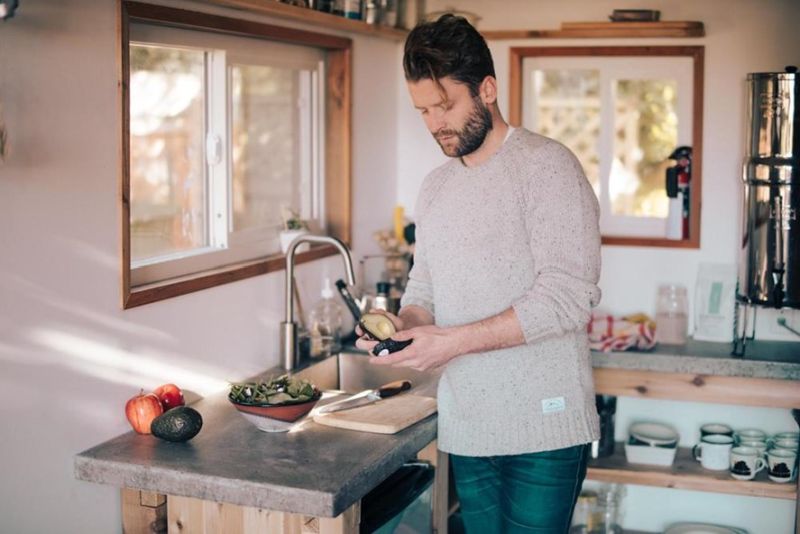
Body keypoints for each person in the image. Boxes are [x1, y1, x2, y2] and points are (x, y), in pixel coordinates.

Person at [356, 14, 602, 534]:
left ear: (486, 89)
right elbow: (425, 288)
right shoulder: (436, 187)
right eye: (422, 110)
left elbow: (567, 298)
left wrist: (455, 344)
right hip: (469, 423)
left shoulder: (548, 167)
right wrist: (402, 326)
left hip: (545, 425)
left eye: (445, 106)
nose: (434, 124)